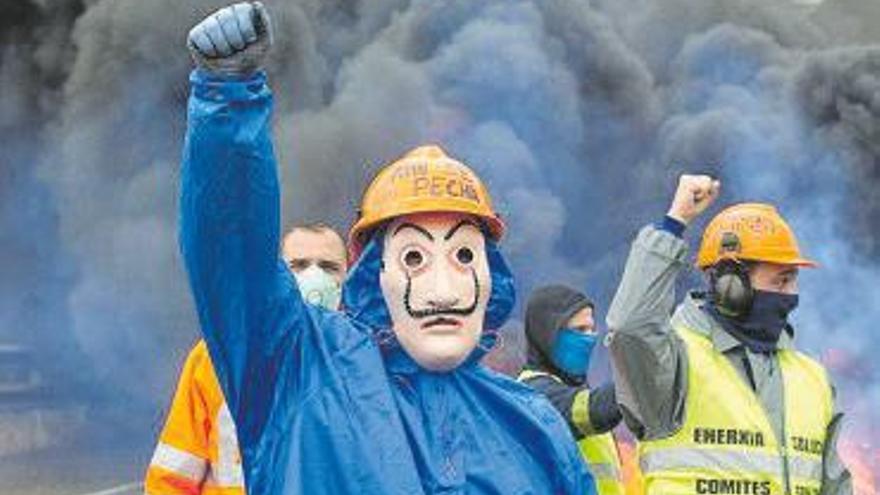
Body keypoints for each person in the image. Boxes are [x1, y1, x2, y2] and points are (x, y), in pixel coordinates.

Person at [177, 3, 595, 494]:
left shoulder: (533, 425)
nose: (442, 289)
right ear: (376, 274)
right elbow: (231, 252)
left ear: (491, 278)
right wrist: (228, 99)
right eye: (414, 257)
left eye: (463, 255)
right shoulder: (302, 372)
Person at [606, 174, 852, 494]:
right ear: (730, 286)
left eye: (793, 281)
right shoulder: (675, 363)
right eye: (781, 281)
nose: (792, 295)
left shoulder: (813, 378)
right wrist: (674, 222)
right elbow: (630, 328)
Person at [144, 224, 347, 495]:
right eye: (298, 265)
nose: (314, 276)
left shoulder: (365, 363)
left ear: (349, 276)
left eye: (328, 267)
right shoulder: (216, 358)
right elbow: (171, 479)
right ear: (276, 276)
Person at [518, 285, 633, 495]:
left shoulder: (576, 391)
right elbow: (591, 411)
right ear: (548, 333)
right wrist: (643, 376)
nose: (589, 338)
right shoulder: (532, 394)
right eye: (579, 330)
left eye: (591, 329)